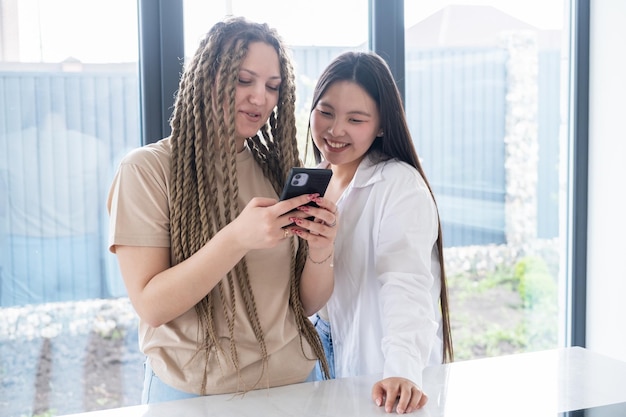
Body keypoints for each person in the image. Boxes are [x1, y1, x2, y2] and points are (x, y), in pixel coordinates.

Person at [106, 16, 336, 403]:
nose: (260, 97)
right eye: (244, 80)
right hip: (195, 395)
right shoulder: (147, 170)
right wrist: (237, 238)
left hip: (297, 383)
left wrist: (321, 251)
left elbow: (304, 303)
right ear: (207, 76)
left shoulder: (276, 171)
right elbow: (152, 305)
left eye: (272, 86)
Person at [307, 51, 454, 414]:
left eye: (355, 119)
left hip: (377, 367)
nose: (335, 130)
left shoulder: (399, 185)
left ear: (382, 125)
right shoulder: (315, 179)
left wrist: (402, 370)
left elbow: (407, 283)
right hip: (318, 356)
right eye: (326, 112)